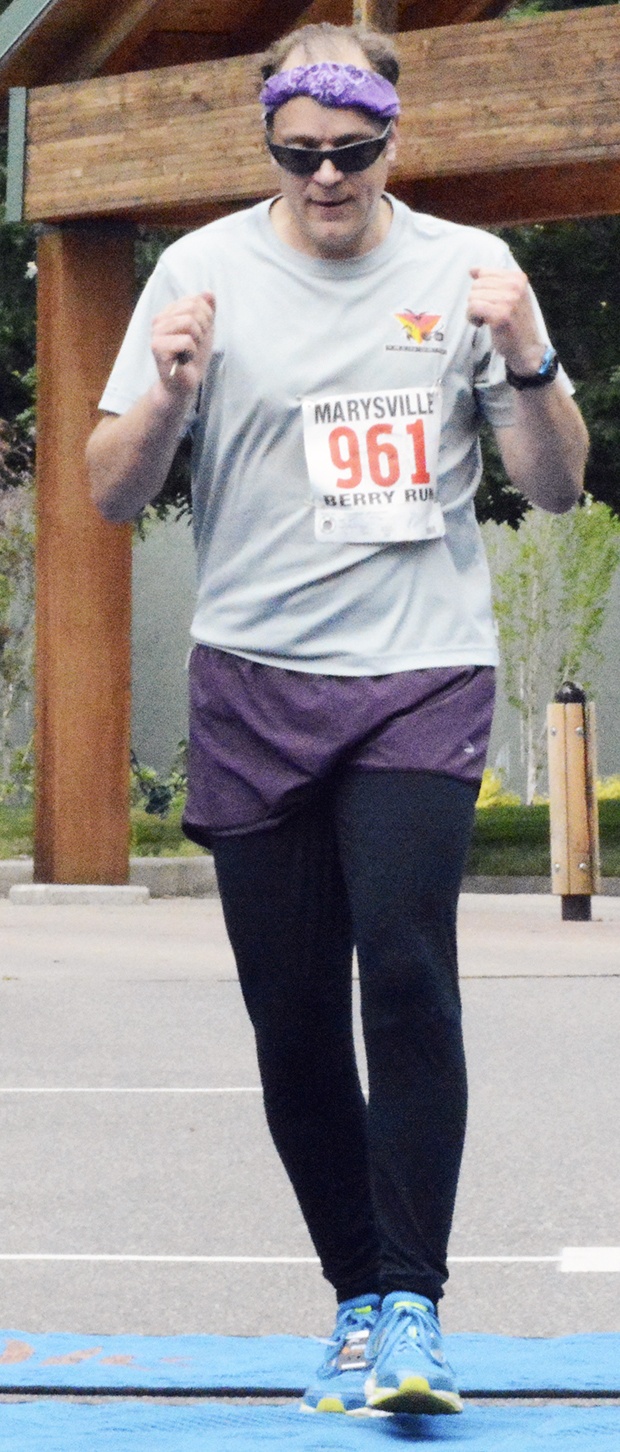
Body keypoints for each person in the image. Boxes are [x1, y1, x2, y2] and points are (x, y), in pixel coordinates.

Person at [87, 20, 588, 1419]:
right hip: (253, 680)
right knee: (293, 1018)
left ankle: (418, 1308)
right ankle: (357, 1299)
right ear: (269, 147)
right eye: (299, 156)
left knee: (408, 971)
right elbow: (112, 491)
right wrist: (170, 395)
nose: (324, 179)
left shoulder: (463, 277)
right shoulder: (197, 275)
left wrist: (532, 357)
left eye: (351, 154)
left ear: (391, 142)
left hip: (418, 674)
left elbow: (553, 489)